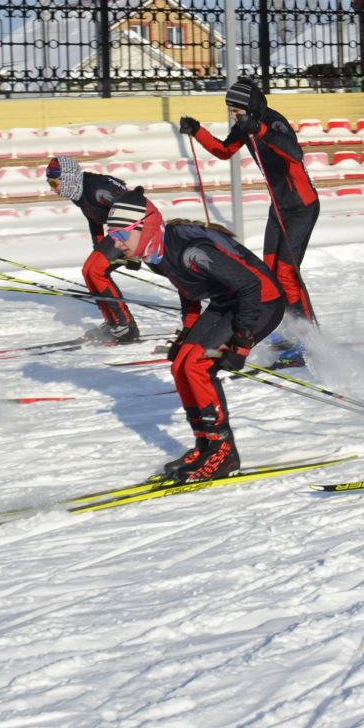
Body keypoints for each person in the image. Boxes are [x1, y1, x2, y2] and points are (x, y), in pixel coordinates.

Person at [103, 194, 285, 483]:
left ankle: (223, 453)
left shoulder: (192, 252)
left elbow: (250, 286)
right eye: (111, 235)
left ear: (145, 226)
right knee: (180, 365)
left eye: (121, 234)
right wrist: (187, 332)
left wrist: (242, 342)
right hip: (227, 299)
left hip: (261, 302)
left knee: (197, 366)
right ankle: (206, 446)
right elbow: (187, 288)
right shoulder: (156, 252)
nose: (116, 243)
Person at [180, 76, 320, 348]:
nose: (233, 116)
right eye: (231, 111)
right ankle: (290, 330)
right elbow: (224, 150)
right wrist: (197, 131)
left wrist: (261, 129)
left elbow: (295, 154)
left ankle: (308, 338)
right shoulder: (245, 127)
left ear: (250, 107)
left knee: (286, 274)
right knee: (270, 274)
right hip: (278, 209)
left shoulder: (274, 122)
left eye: (236, 111)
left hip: (301, 208)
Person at [45, 155, 143, 346]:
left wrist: (135, 253)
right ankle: (113, 322)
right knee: (88, 271)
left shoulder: (97, 189)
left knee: (96, 270)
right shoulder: (79, 192)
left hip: (138, 230)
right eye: (50, 183)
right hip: (122, 231)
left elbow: (135, 210)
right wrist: (98, 247)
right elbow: (95, 218)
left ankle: (126, 326)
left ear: (67, 177)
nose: (53, 188)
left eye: (54, 183)